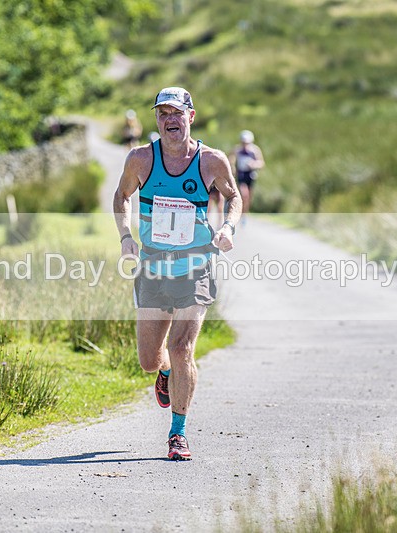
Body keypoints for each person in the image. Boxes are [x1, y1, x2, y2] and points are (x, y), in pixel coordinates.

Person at [113, 87, 242, 461]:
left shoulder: (211, 161)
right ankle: (164, 374)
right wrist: (126, 236)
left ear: (191, 116)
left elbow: (233, 196)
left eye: (176, 113)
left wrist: (227, 228)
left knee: (182, 347)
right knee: (150, 360)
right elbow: (121, 196)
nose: (169, 119)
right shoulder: (141, 159)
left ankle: (178, 434)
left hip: (196, 268)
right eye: (162, 114)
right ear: (156, 120)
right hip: (153, 269)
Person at [230, 129, 265, 220]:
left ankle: (245, 214)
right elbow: (231, 159)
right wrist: (233, 167)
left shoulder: (254, 150)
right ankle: (239, 212)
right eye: (243, 142)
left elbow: (261, 163)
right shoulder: (237, 149)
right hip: (241, 174)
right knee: (244, 194)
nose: (245, 144)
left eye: (247, 142)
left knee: (249, 196)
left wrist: (253, 164)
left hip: (250, 174)